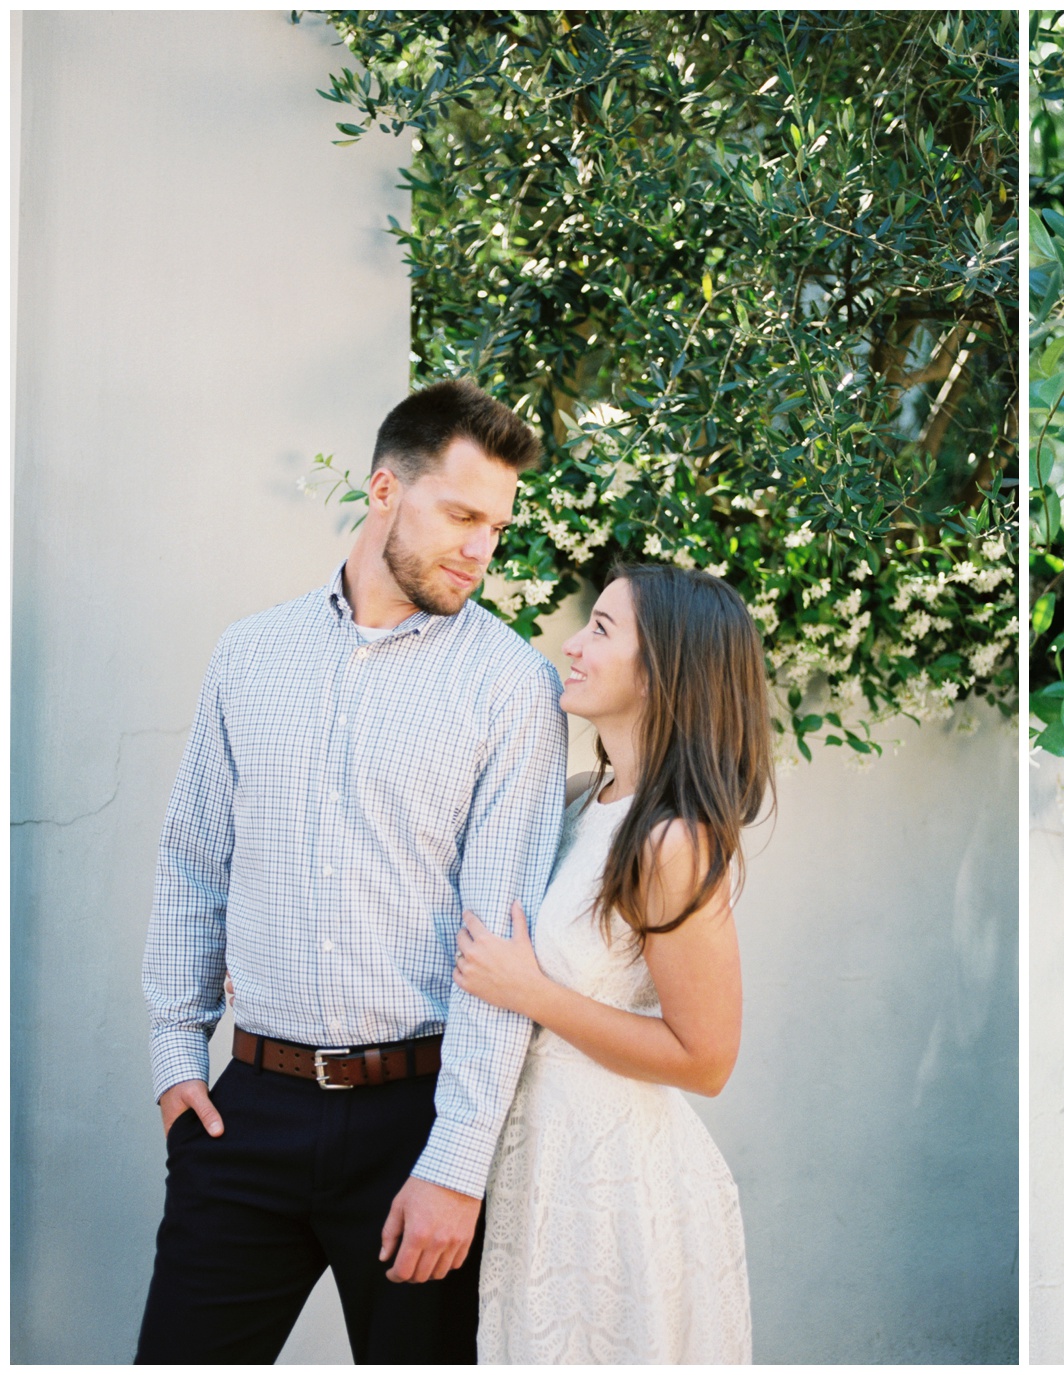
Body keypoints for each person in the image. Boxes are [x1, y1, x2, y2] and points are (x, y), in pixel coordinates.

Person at [137, 379, 566, 1363]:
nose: (480, 549)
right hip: (249, 1111)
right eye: (461, 514)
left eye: (496, 526)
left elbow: (502, 943)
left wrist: (456, 1165)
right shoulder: (249, 656)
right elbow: (193, 857)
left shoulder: (512, 689)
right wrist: (174, 1057)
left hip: (416, 1122)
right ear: (383, 488)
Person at [452, 564, 770, 1363]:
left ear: (663, 669)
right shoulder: (575, 799)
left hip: (612, 1188)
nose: (573, 643)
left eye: (601, 628)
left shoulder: (673, 839)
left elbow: (707, 1058)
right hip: (533, 1168)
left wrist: (534, 994)